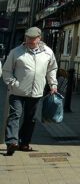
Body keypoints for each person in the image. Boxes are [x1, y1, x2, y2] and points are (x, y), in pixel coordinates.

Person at [2, 27, 58, 156]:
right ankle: (11, 142)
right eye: (28, 38)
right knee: (15, 115)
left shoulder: (48, 52)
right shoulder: (16, 52)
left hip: (36, 92)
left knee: (30, 118)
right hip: (17, 92)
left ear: (39, 38)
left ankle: (24, 143)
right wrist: (13, 83)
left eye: (33, 38)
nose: (30, 41)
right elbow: (6, 71)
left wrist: (53, 84)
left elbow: (52, 69)